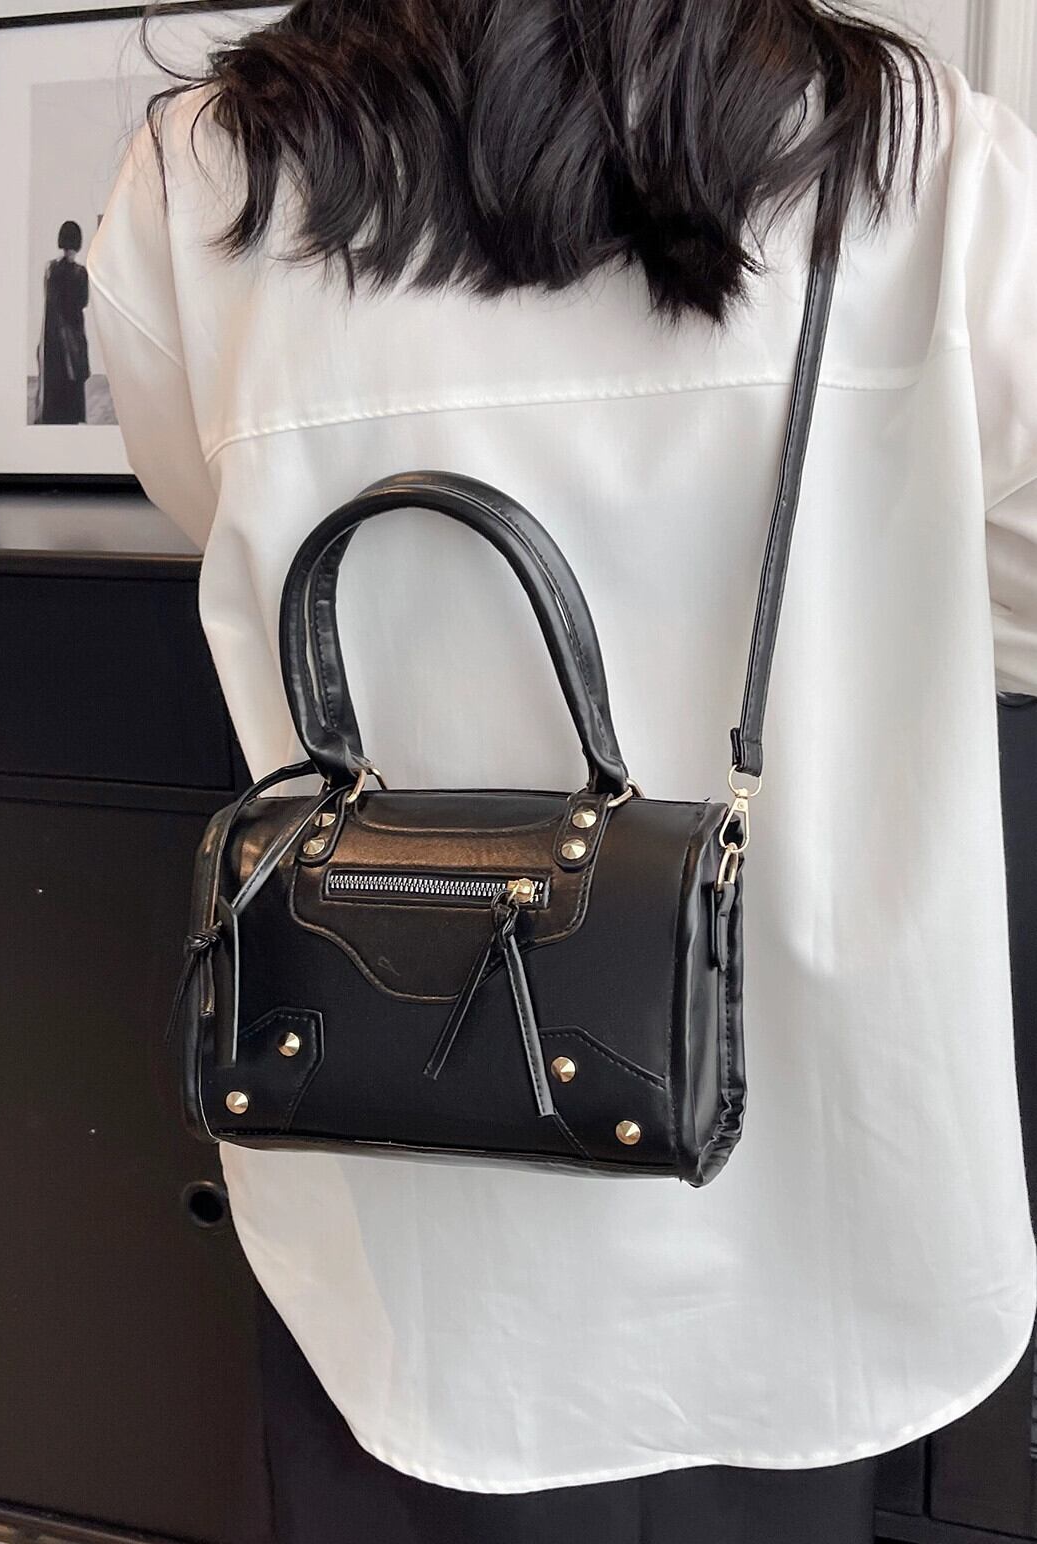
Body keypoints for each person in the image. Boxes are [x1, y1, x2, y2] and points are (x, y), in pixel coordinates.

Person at [87, 2, 1037, 1539]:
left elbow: (219, 516)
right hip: (819, 1153)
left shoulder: (208, 172)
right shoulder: (919, 152)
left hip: (403, 1151)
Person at [36, 218, 90, 424]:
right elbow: (83, 302)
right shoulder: (81, 273)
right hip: (73, 334)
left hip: (54, 337)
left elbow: (50, 300)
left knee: (55, 382)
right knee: (73, 382)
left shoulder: (51, 269)